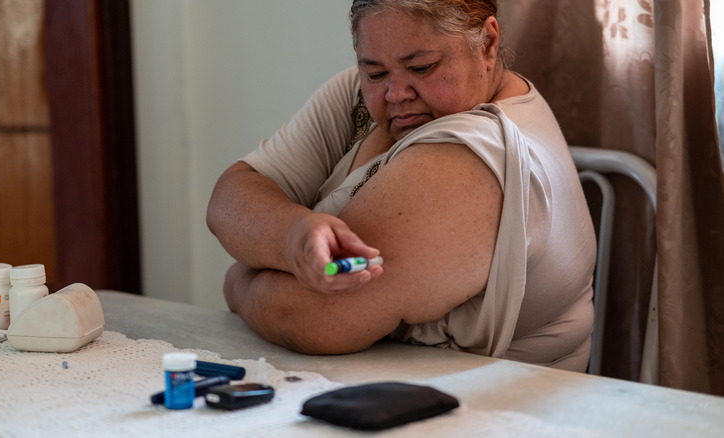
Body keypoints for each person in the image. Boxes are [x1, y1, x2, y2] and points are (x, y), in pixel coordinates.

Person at [206, 0, 596, 372]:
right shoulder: (360, 100)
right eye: (375, 72)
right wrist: (291, 235)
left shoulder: (468, 159)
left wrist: (239, 278)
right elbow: (230, 199)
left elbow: (314, 318)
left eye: (422, 67)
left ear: (488, 44)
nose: (396, 94)